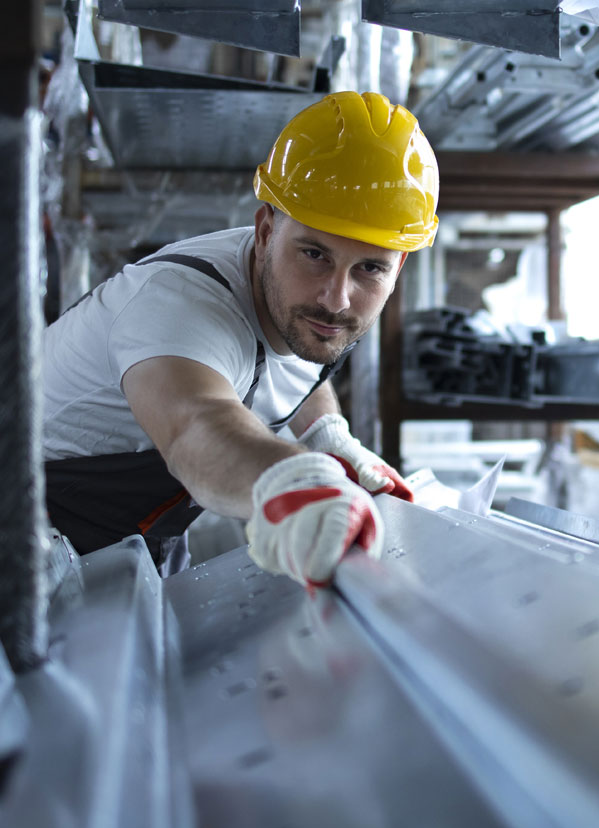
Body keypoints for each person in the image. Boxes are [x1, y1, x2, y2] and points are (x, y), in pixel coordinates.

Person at [40, 90, 439, 586]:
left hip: (142, 528)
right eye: (314, 254)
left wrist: (328, 436)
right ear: (267, 229)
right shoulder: (180, 307)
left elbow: (302, 362)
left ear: (398, 266)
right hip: (27, 531)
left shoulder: (299, 304)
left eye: (370, 268)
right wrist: (295, 477)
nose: (337, 298)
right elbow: (196, 428)